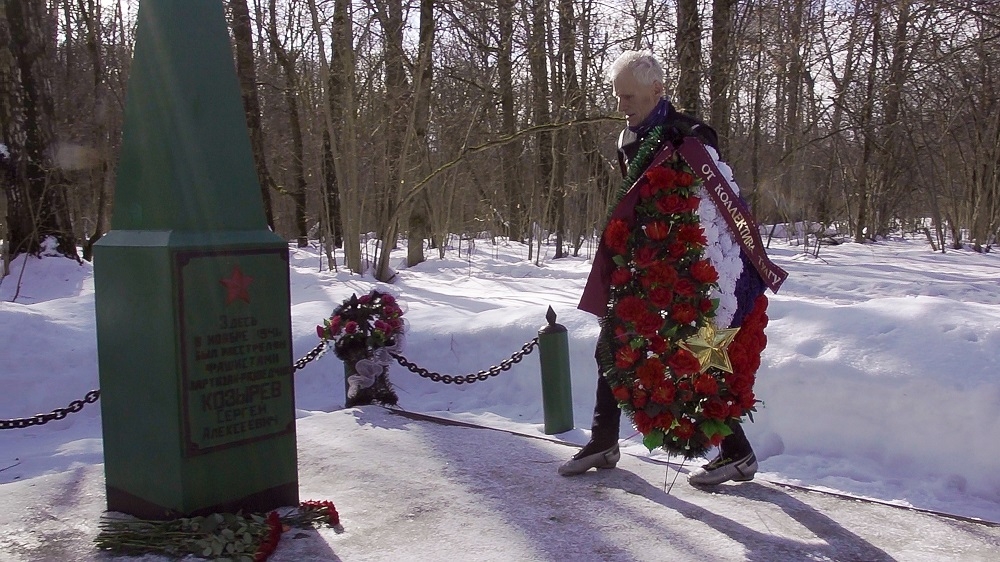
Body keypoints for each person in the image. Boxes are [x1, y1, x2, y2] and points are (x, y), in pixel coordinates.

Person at [558, 50, 770, 486]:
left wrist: (705, 277)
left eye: (629, 96)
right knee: (612, 344)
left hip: (698, 272)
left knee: (701, 351)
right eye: (617, 96)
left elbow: (716, 207)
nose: (621, 106)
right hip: (646, 264)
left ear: (657, 91)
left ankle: (738, 451)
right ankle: (603, 439)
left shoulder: (691, 136)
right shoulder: (626, 139)